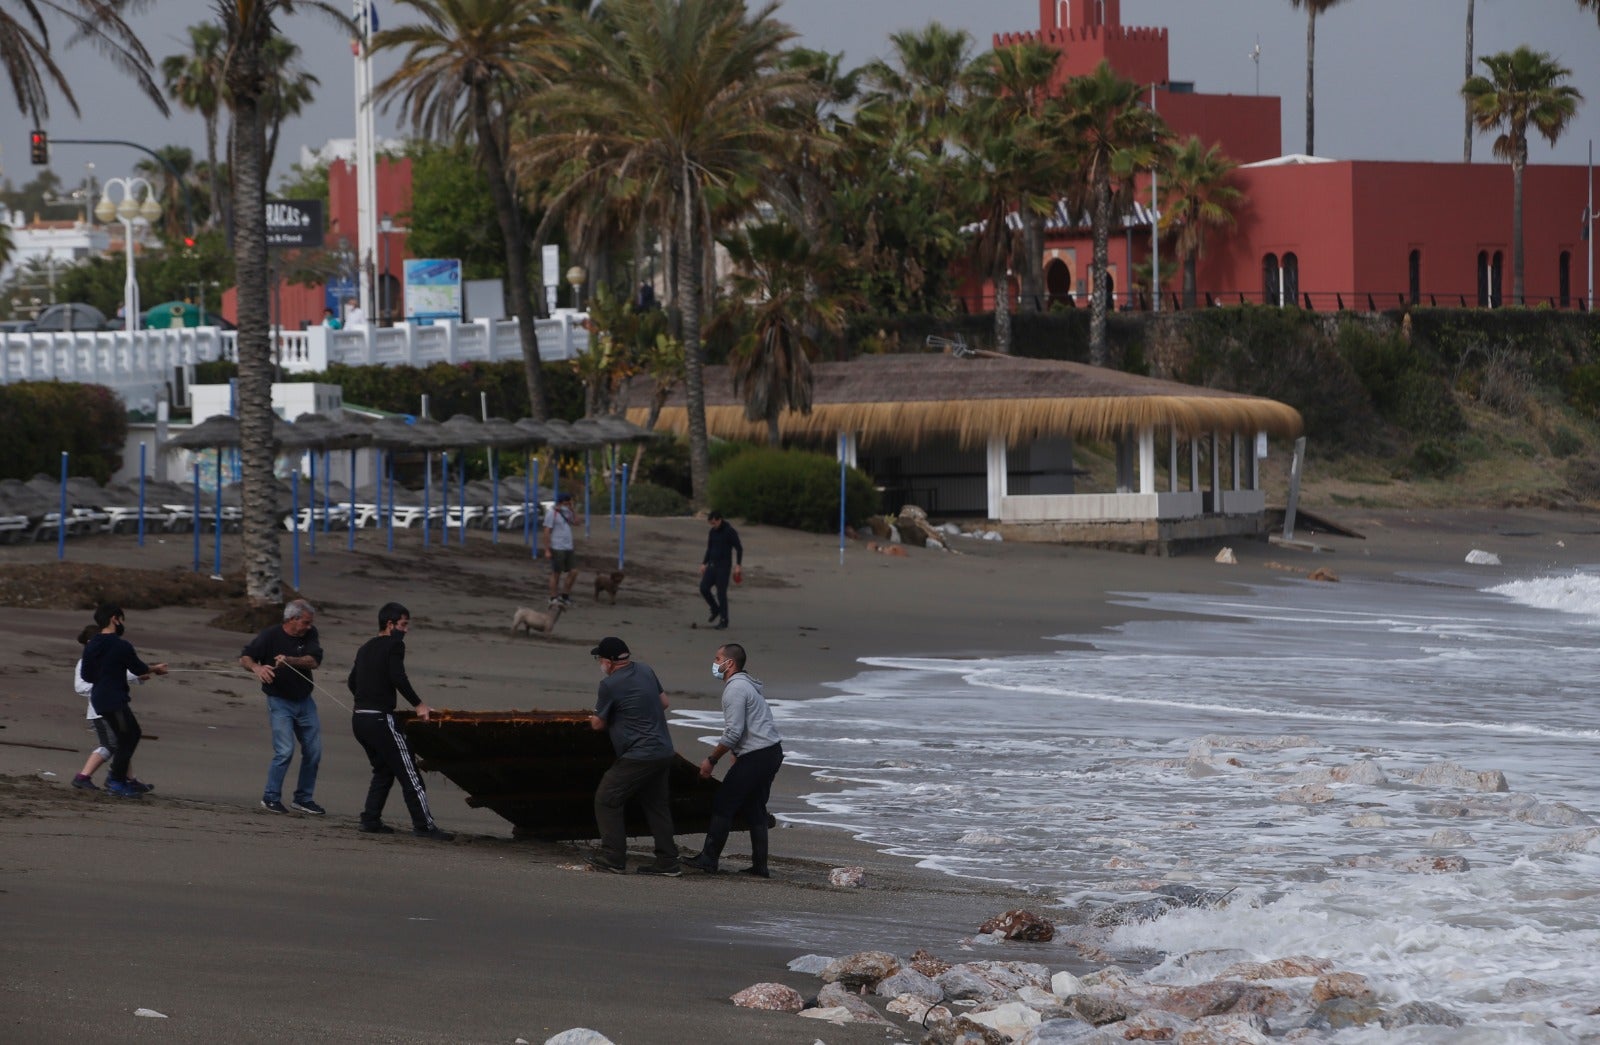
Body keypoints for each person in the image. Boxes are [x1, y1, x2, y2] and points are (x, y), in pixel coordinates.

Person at [347, 602, 453, 841]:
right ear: (390, 624)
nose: (406, 630)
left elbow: (352, 682)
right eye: (403, 625)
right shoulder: (395, 645)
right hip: (380, 720)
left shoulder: (364, 648)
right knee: (410, 773)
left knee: (384, 769)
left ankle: (370, 819)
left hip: (359, 720)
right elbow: (398, 677)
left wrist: (366, 700)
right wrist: (419, 705)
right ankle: (424, 826)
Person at [686, 642, 784, 878]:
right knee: (755, 807)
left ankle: (709, 860)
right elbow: (757, 722)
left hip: (757, 755)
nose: (714, 663)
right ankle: (760, 867)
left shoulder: (735, 689)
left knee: (724, 803)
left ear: (729, 663)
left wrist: (712, 759)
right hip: (771, 752)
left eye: (717, 659)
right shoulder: (748, 685)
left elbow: (733, 732)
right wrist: (737, 753)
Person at [587, 636, 680, 876]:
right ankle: (668, 861)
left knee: (607, 798)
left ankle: (613, 857)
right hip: (663, 749)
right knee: (657, 805)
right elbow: (664, 702)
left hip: (639, 754)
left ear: (609, 661)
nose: (600, 663)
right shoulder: (646, 670)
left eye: (600, 659)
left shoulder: (609, 685)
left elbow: (597, 724)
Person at [240, 599, 326, 815]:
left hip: (305, 701)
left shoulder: (310, 633)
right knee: (285, 751)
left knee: (314, 752)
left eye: (310, 623)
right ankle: (270, 797)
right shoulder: (270, 635)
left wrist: (289, 660)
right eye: (305, 622)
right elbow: (245, 657)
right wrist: (257, 668)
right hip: (279, 701)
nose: (309, 626)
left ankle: (303, 799)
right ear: (292, 619)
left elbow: (314, 661)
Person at [79, 604, 167, 798]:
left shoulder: (92, 644)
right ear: (114, 618)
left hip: (99, 699)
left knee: (127, 736)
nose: (121, 623)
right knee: (129, 737)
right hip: (113, 699)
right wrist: (155, 669)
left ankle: (119, 779)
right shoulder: (121, 645)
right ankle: (116, 781)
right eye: (121, 619)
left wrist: (106, 673)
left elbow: (86, 675)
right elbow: (138, 668)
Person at [70, 623, 149, 792]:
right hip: (99, 713)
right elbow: (80, 687)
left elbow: (122, 674)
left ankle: (128, 779)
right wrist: (103, 684)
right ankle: (83, 777)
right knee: (111, 744)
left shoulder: (107, 659)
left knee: (123, 742)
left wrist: (139, 676)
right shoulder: (85, 662)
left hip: (112, 707)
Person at [699, 511, 743, 630]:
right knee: (703, 588)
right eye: (711, 523)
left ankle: (724, 620)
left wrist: (738, 565)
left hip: (723, 567)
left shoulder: (730, 531)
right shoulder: (712, 532)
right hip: (712, 565)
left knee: (721, 593)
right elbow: (709, 548)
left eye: (714, 523)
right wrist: (704, 563)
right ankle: (715, 609)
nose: (712, 525)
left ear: (719, 520)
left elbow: (739, 548)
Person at [543, 491, 580, 607]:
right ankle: (553, 597)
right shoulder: (552, 513)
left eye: (569, 503)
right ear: (560, 503)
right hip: (557, 546)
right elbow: (546, 531)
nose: (568, 505)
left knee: (574, 571)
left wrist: (573, 510)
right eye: (566, 503)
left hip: (568, 546)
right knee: (556, 573)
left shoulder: (567, 512)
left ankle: (565, 596)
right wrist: (547, 549)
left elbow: (577, 522)